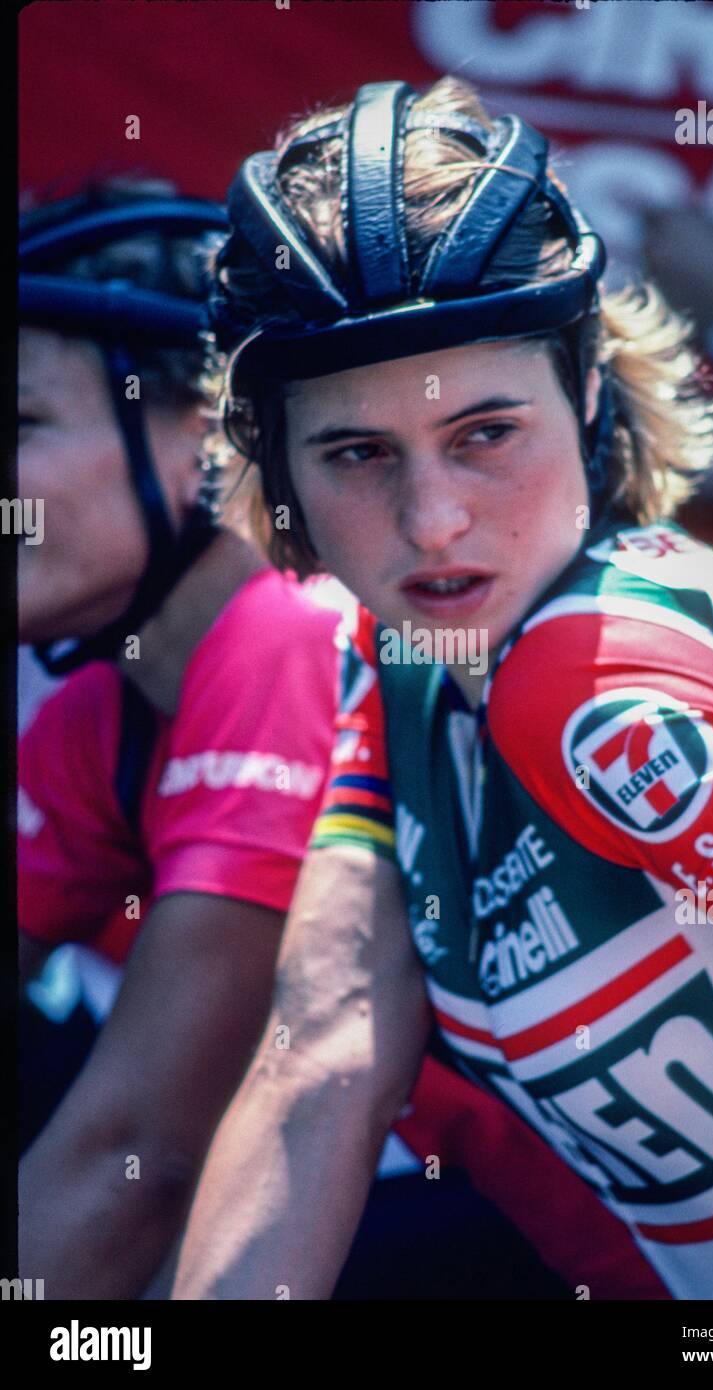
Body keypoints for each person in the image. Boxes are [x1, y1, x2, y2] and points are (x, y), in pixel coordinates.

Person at [174, 77, 713, 1302]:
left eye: (487, 432)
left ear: (587, 393)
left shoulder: (587, 680)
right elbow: (323, 1057)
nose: (434, 523)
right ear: (274, 465)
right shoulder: (407, 661)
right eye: (355, 452)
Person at [17, 182, 343, 1299]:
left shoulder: (294, 640)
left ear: (211, 434)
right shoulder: (97, 716)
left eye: (18, 426)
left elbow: (132, 1160)